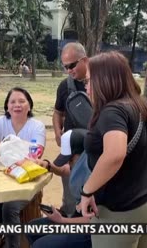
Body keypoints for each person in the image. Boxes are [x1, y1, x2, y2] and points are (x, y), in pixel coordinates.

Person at [79, 51, 147, 248]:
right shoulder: (145, 103)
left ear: (104, 81)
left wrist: (87, 191)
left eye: (89, 80)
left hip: (121, 211)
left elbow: (115, 155)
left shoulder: (112, 112)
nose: (86, 87)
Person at [0, 87, 46, 248]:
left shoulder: (37, 126)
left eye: (22, 101)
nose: (17, 105)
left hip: (27, 179)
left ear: (29, 105)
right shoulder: (1, 123)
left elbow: (36, 155)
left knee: (9, 207)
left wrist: (9, 151)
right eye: (12, 102)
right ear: (7, 106)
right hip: (3, 177)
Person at [52, 42, 89, 217]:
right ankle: (68, 216)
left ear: (85, 61)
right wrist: (57, 131)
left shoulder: (99, 85)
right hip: (69, 149)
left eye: (72, 66)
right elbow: (58, 112)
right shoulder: (65, 86)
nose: (69, 71)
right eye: (65, 67)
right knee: (69, 191)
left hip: (90, 151)